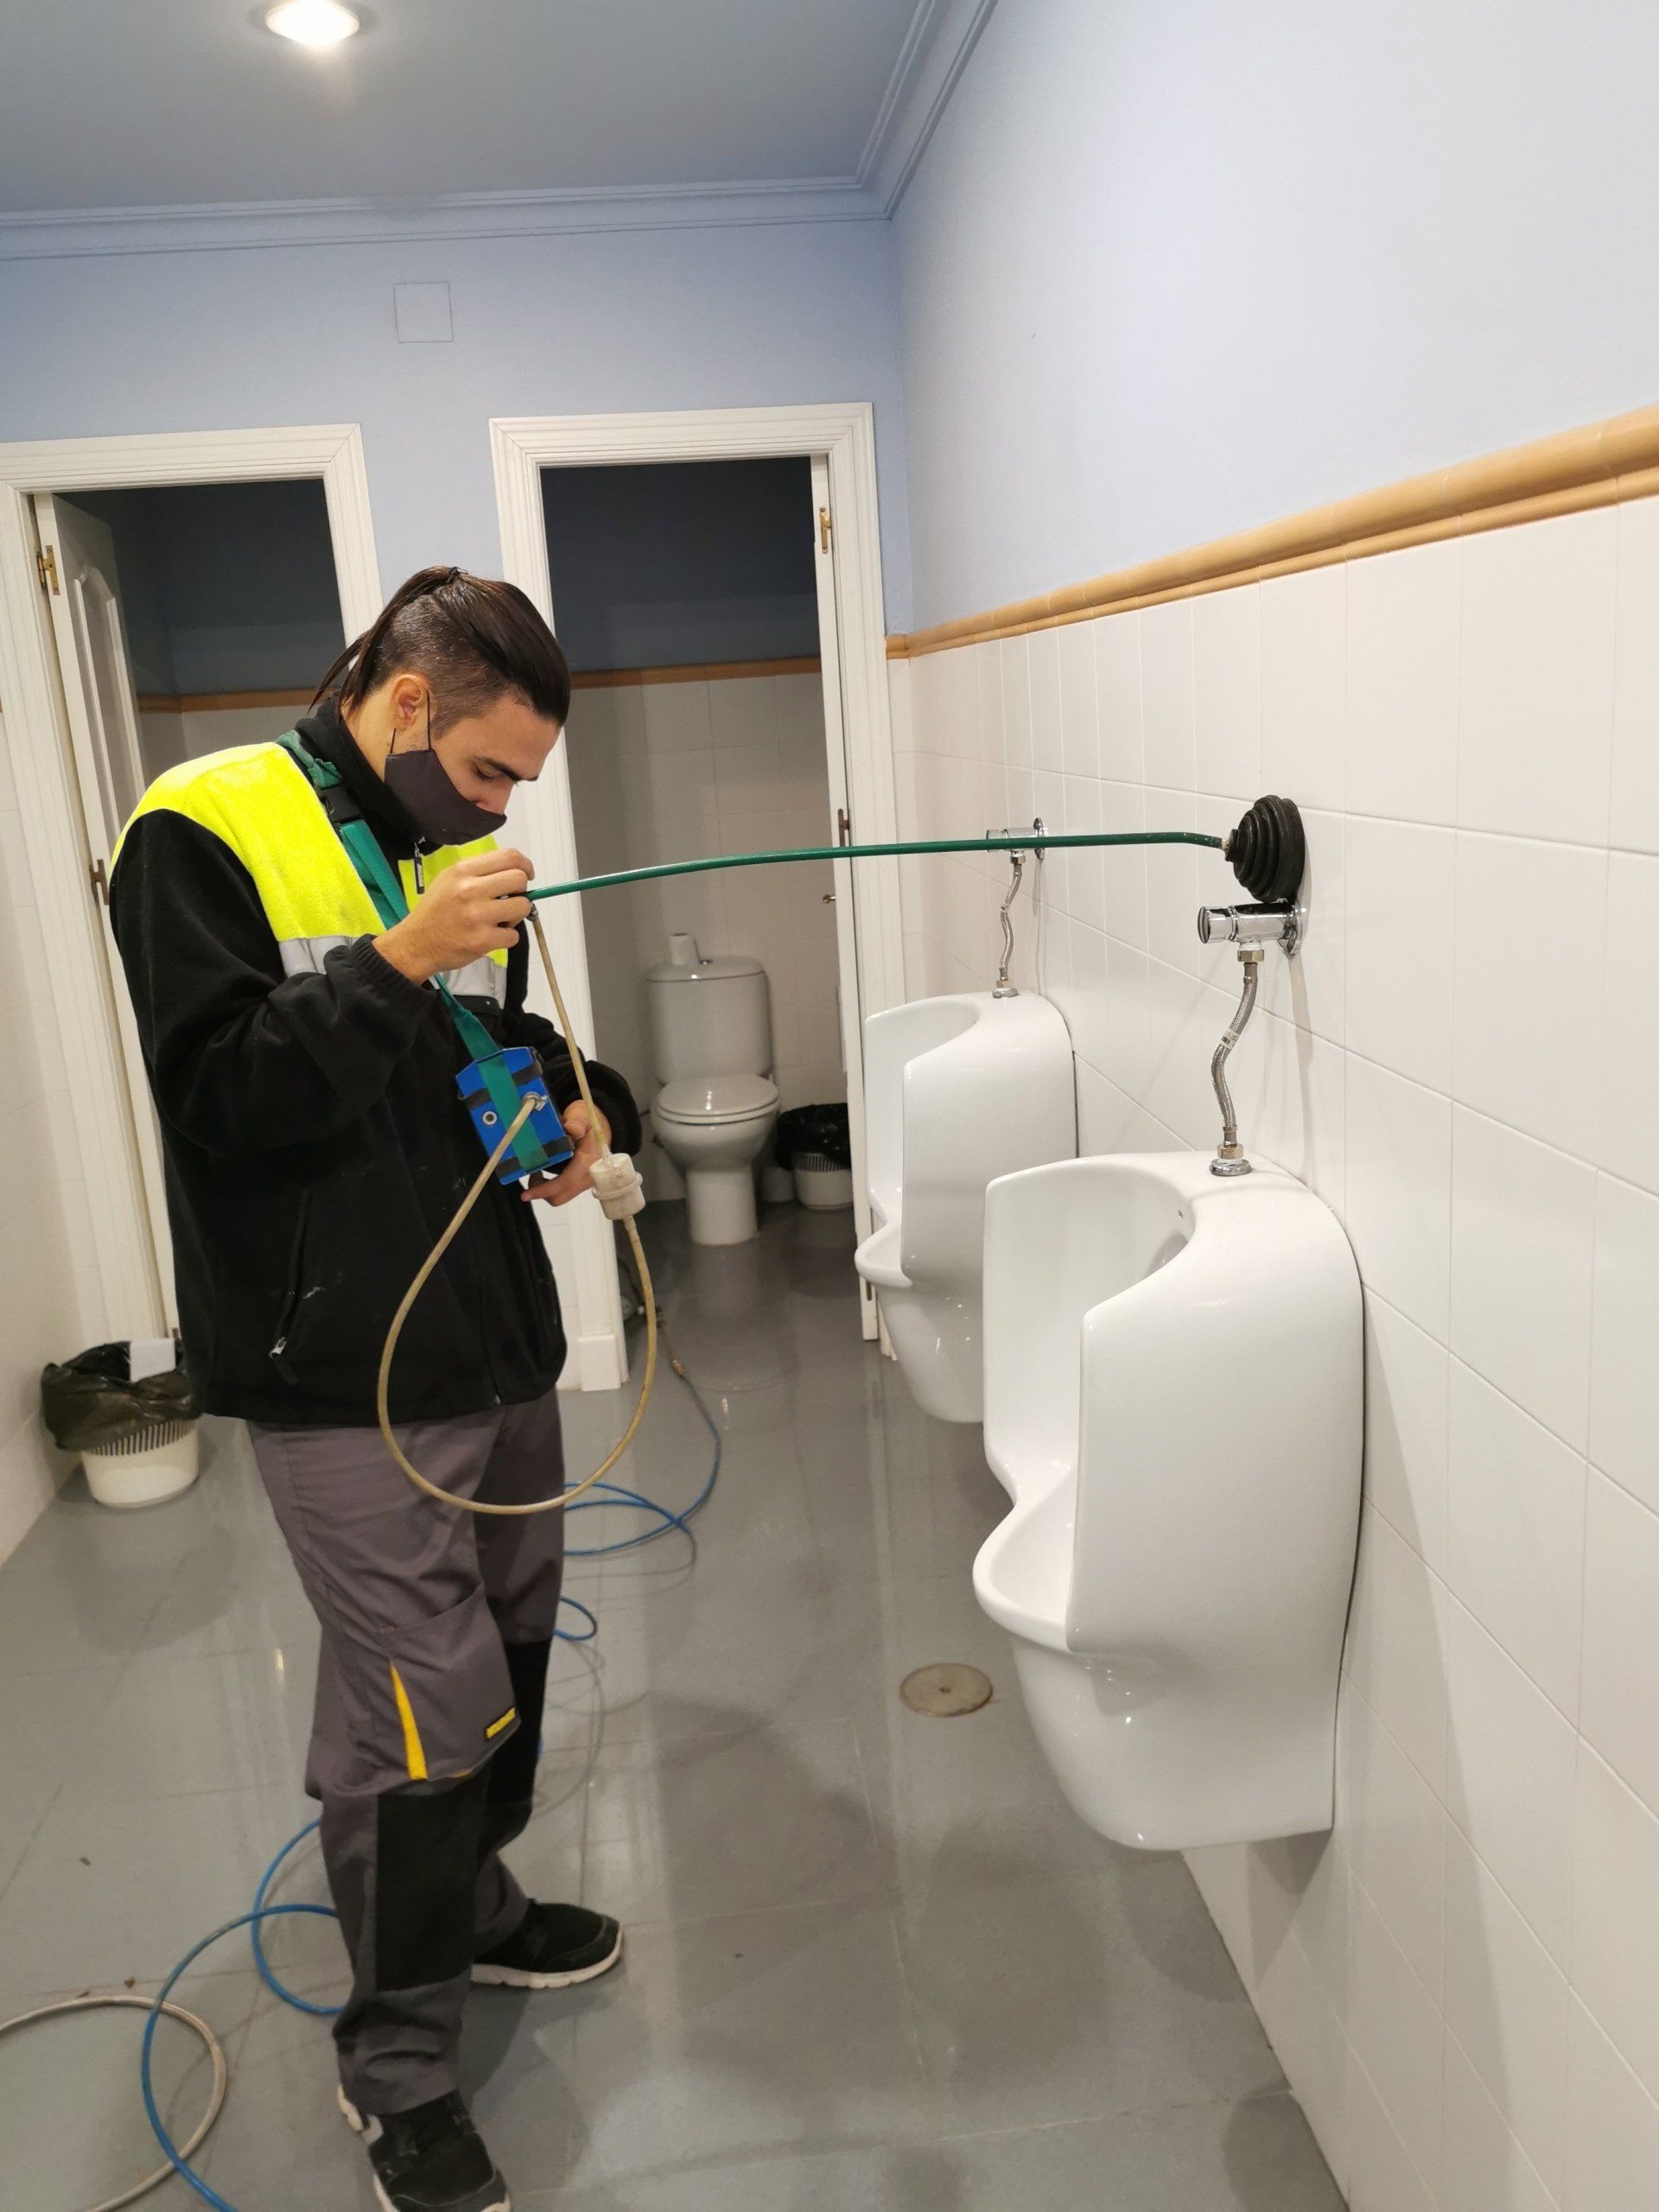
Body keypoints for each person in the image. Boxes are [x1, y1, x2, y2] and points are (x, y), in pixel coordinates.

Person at [111, 567, 641, 2212]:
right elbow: (218, 1096)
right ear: (409, 702)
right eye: (488, 768)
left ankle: (473, 1913)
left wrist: (588, 1112)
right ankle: (399, 2066)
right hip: (341, 1368)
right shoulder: (198, 830)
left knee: (511, 1649)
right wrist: (396, 958)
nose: (500, 806)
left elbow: (523, 1044)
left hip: (490, 1332)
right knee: (427, 1709)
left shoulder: (444, 855)